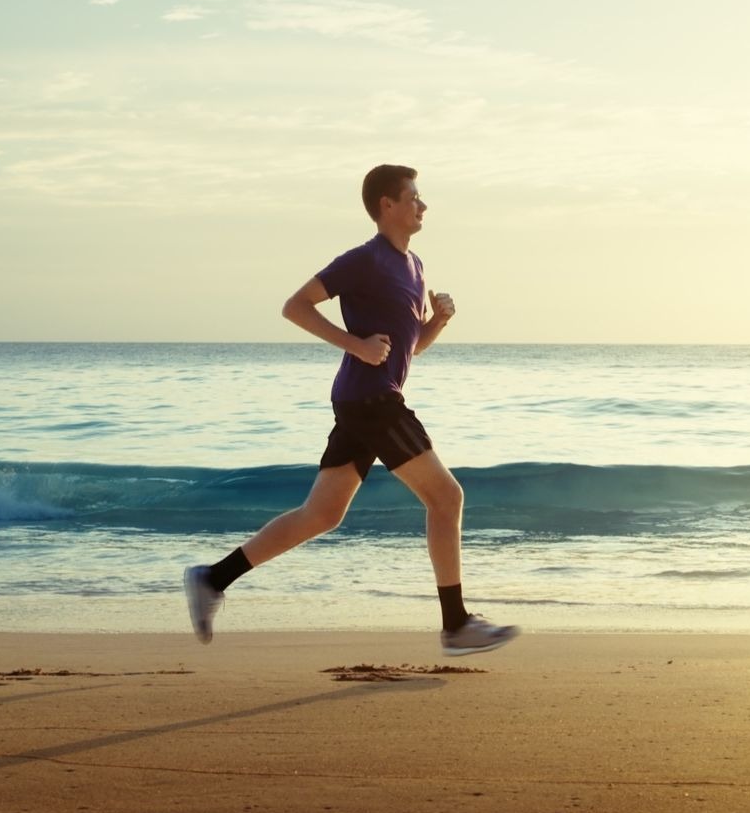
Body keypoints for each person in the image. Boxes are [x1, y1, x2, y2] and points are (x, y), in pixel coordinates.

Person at [184, 164, 519, 656]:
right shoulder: (365, 259)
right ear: (387, 205)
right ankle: (456, 625)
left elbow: (408, 350)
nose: (422, 206)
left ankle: (213, 578)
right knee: (446, 497)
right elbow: (295, 306)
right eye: (413, 197)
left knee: (321, 513)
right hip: (372, 400)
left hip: (363, 397)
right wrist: (355, 345)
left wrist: (439, 321)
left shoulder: (415, 266)